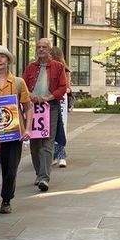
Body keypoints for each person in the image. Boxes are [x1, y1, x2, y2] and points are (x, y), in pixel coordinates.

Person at [0, 45, 33, 218]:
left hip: (14, 134)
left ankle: (7, 200)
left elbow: (28, 107)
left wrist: (28, 129)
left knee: (10, 171)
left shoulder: (18, 82)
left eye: (2, 56)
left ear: (8, 60)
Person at [22, 37, 68, 191]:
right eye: (38, 47)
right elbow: (23, 86)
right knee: (35, 144)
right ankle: (39, 173)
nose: (41, 49)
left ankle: (44, 178)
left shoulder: (58, 67)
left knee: (48, 142)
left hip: (50, 107)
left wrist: (48, 97)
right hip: (32, 108)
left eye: (44, 47)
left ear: (49, 49)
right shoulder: (30, 68)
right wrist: (30, 95)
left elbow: (62, 87)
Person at [51, 46, 71, 168]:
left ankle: (60, 155)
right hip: (54, 100)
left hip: (58, 100)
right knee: (57, 128)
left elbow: (67, 87)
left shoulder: (63, 69)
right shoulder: (51, 69)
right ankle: (56, 156)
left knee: (58, 127)